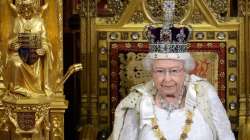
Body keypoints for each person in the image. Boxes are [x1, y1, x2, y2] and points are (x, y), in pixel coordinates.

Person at [109, 0, 235, 140]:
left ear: (185, 70)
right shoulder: (138, 101)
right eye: (160, 71)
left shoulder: (205, 94)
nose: (167, 79)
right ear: (151, 72)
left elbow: (226, 137)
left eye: (174, 71)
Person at [3, 0, 53, 97]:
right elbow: (11, 39)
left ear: (33, 9)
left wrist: (44, 49)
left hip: (35, 55)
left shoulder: (39, 21)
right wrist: (12, 45)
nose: (26, 11)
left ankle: (36, 89)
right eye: (24, 9)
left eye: (29, 8)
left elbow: (45, 41)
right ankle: (17, 88)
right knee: (16, 63)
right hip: (19, 53)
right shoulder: (17, 21)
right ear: (21, 9)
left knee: (35, 60)